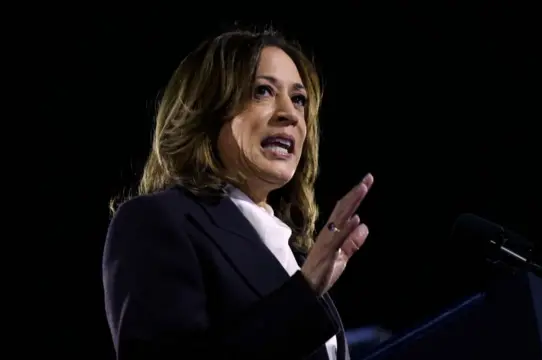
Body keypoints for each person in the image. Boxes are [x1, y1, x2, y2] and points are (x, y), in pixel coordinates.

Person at [102, 29, 374, 360]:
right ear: (208, 109)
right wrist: (304, 292)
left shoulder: (296, 255)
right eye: (263, 92)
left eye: (299, 99)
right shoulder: (157, 222)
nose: (289, 114)